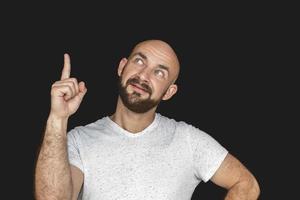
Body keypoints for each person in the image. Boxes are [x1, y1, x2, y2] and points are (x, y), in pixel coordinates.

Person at [34, 39, 260, 200]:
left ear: (169, 92)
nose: (143, 76)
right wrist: (57, 118)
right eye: (140, 61)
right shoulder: (79, 140)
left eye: (159, 73)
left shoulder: (189, 140)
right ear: (122, 66)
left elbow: (247, 185)